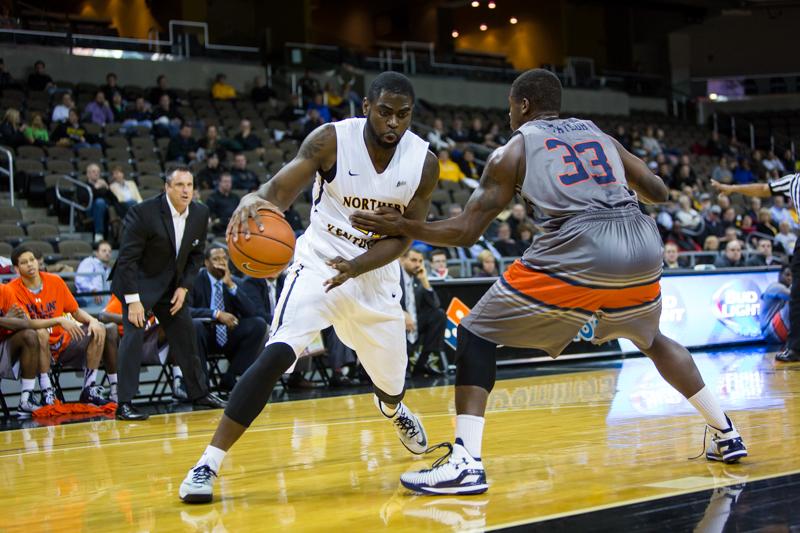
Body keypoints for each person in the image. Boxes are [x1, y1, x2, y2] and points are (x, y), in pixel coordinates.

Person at [352, 69, 748, 495]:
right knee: (651, 339)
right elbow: (658, 189)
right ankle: (726, 432)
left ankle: (466, 462)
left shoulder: (513, 150)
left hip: (582, 241)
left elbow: (467, 231)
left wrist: (407, 226)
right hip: (641, 238)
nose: (508, 115)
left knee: (474, 331)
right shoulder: (601, 136)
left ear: (522, 105)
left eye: (509, 106)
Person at [178, 71, 440, 503]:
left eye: (404, 115)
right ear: (366, 109)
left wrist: (356, 266)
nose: (394, 122)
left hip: (373, 276)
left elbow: (404, 239)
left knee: (392, 385)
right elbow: (280, 189)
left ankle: (393, 409)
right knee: (276, 353)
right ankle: (208, 462)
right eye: (386, 112)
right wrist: (256, 198)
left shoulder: (423, 162)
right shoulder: (330, 141)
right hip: (318, 264)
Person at [110, 168, 226, 421]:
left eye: (190, 185)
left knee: (186, 335)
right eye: (180, 185)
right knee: (132, 338)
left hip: (171, 287)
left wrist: (184, 287)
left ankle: (199, 393)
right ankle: (125, 403)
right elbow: (127, 261)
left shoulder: (200, 213)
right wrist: (133, 301)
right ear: (167, 188)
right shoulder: (142, 213)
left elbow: (196, 256)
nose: (186, 190)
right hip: (137, 284)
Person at [8, 245, 118, 406]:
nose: (30, 264)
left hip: (62, 344)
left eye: (32, 260)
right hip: (34, 349)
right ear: (16, 269)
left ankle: (89, 389)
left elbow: (75, 311)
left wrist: (93, 321)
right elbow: (27, 323)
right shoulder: (12, 289)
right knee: (40, 332)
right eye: (24, 262)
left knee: (99, 328)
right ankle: (47, 391)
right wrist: (58, 320)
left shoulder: (55, 281)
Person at [712, 173, 800, 362]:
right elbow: (763, 189)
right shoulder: (794, 180)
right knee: (797, 296)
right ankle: (795, 348)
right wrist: (733, 189)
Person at [189, 245, 267, 391]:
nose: (221, 262)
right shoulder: (195, 280)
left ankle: (232, 377)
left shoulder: (235, 281)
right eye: (216, 259)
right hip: (205, 334)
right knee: (195, 326)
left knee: (258, 324)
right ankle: (202, 387)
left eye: (224, 258)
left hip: (228, 334)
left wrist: (231, 286)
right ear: (206, 263)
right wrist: (216, 314)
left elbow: (251, 312)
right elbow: (187, 310)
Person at [0, 283, 76, 414]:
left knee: (30, 334)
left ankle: (26, 398)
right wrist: (5, 320)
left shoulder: (4, 290)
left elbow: (23, 323)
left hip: (4, 348)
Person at [400, 249, 445, 377]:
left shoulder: (418, 278)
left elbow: (436, 305)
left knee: (439, 315)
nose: (418, 264)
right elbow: (384, 300)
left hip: (414, 323)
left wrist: (425, 280)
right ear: (402, 260)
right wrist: (401, 313)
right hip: (396, 321)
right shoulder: (394, 278)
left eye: (420, 261)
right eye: (413, 260)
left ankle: (424, 361)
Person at [75, 240, 113, 307]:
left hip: (104, 301)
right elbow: (80, 280)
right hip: (88, 298)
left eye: (109, 251)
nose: (107, 253)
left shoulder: (108, 269)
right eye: (104, 251)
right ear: (96, 253)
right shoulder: (89, 262)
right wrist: (93, 290)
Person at [761, 266, 791, 346]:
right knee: (794, 301)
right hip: (770, 331)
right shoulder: (775, 287)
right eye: (787, 275)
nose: (790, 278)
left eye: (792, 276)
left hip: (775, 331)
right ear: (780, 275)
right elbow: (793, 295)